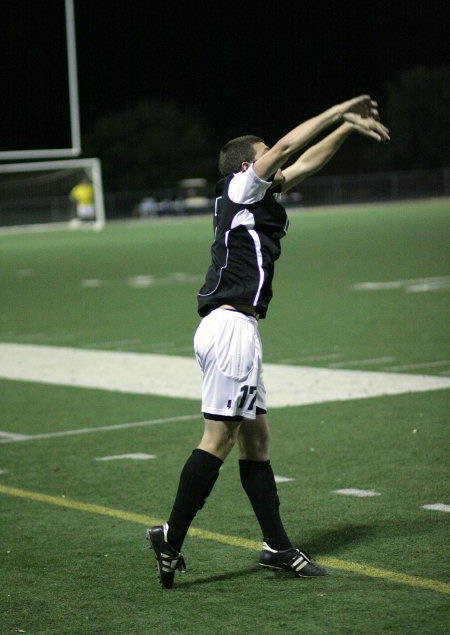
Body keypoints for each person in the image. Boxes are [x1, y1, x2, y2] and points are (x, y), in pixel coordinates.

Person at [147, 95, 389, 588]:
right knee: (218, 439)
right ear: (246, 164)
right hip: (230, 327)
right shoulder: (241, 184)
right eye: (263, 156)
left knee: (256, 440)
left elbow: (303, 164)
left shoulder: (257, 194)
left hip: (239, 327)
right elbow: (286, 146)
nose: (274, 161)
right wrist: (340, 110)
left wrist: (346, 131)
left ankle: (276, 547)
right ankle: (169, 537)